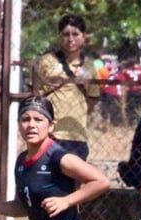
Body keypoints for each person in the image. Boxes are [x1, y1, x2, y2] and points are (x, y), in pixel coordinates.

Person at [34, 14, 98, 160]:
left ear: (84, 37)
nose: (70, 39)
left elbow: (93, 99)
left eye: (75, 34)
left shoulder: (90, 66)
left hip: (77, 135)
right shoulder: (46, 61)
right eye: (66, 34)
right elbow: (35, 94)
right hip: (49, 133)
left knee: (75, 180)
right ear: (59, 37)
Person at [119, 57, 141, 127]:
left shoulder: (127, 71)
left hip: (131, 91)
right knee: (139, 106)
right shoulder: (140, 70)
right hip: (139, 90)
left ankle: (131, 121)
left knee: (130, 107)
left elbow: (123, 80)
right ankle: (138, 121)